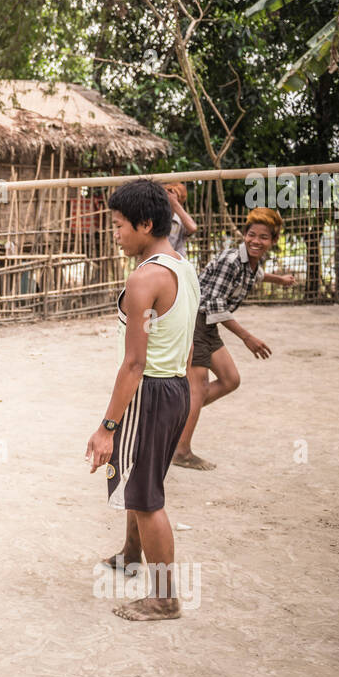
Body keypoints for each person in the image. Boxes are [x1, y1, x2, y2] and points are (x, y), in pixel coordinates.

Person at [86, 179, 199, 621]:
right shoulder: (183, 268)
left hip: (149, 392)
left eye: (118, 226)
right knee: (140, 483)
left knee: (147, 498)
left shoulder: (143, 279)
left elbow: (133, 364)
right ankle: (132, 555)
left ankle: (165, 598)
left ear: (146, 223)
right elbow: (187, 343)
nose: (115, 233)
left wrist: (106, 427)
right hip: (175, 387)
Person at [173, 206, 296, 470]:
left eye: (264, 237)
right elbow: (214, 303)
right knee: (199, 386)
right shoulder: (231, 260)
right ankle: (180, 451)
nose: (256, 241)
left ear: (273, 241)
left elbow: (257, 276)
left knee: (230, 380)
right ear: (244, 234)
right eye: (251, 235)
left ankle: (173, 417)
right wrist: (246, 337)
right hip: (195, 319)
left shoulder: (251, 263)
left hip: (207, 322)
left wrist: (280, 280)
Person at [164, 182, 198, 257]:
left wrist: (175, 203)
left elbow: (192, 228)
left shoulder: (181, 220)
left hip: (175, 263)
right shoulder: (155, 217)